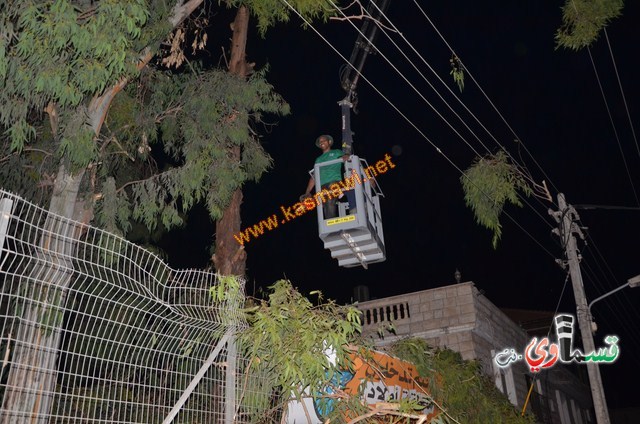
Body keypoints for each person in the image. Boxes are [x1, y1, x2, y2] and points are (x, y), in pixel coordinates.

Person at [302, 134, 356, 219]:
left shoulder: (336, 152)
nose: (321, 142)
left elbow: (347, 157)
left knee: (330, 199)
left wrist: (346, 156)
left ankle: (331, 225)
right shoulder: (318, 159)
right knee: (325, 204)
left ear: (329, 142)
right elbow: (314, 177)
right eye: (320, 142)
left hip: (334, 182)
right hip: (322, 186)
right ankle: (330, 223)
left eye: (324, 140)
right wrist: (307, 191)